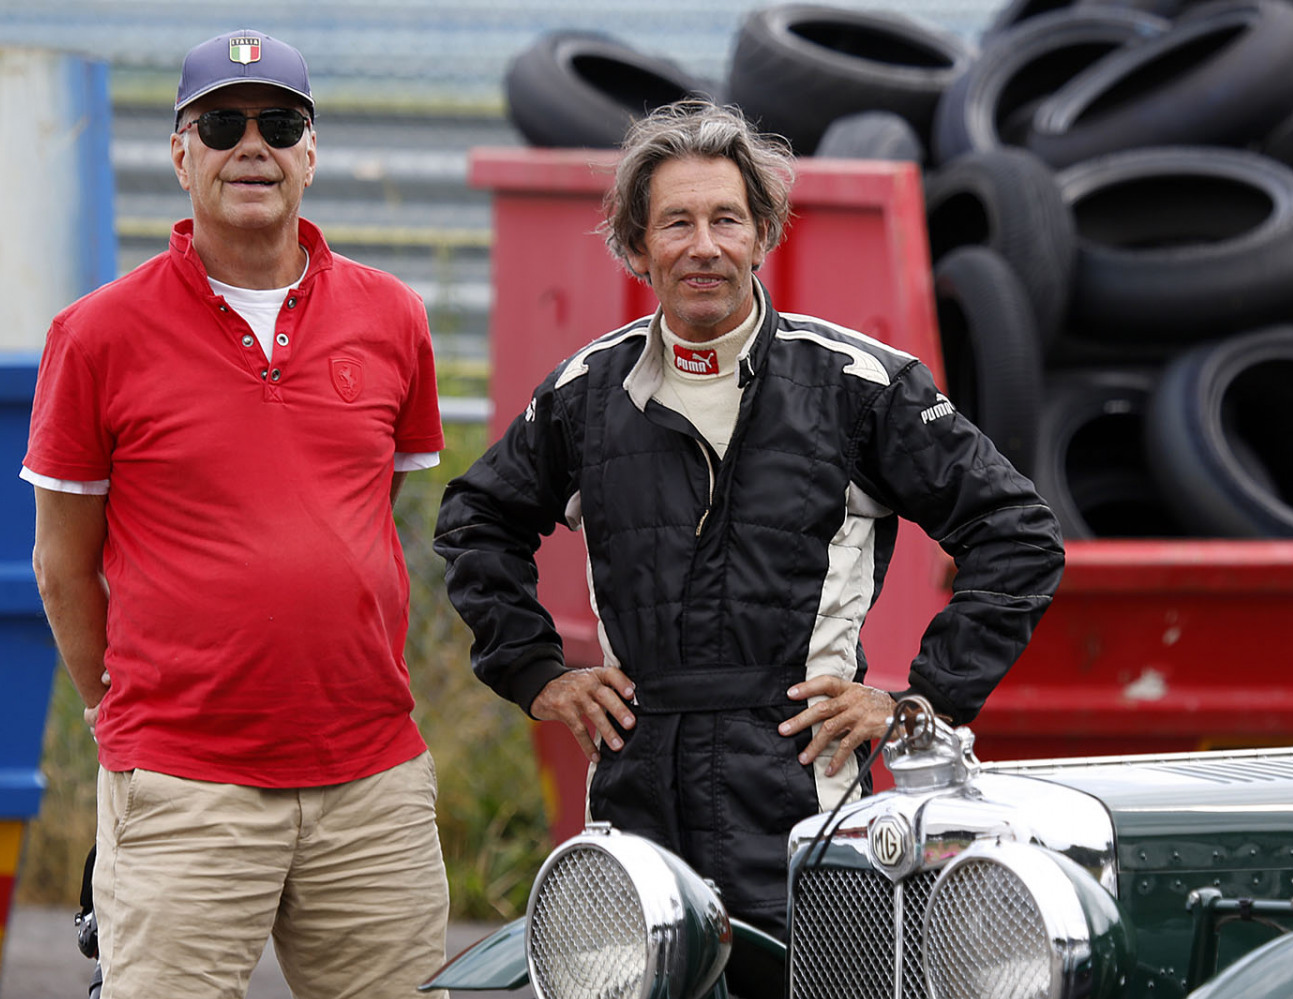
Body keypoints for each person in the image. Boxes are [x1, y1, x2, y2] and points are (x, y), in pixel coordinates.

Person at [434, 100, 1064, 938]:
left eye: (727, 219)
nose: (704, 246)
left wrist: (922, 702)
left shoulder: (858, 385)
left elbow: (1017, 534)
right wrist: (534, 671)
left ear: (763, 235)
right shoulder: (587, 392)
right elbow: (476, 518)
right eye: (676, 223)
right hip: (636, 803)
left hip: (806, 800)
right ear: (636, 247)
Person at [23, 29, 453, 999]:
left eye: (277, 125)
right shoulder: (96, 336)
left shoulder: (392, 317)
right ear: (181, 154)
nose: (250, 146)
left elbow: (372, 514)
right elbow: (63, 567)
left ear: (311, 153)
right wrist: (122, 719)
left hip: (369, 775)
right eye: (222, 125)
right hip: (184, 778)